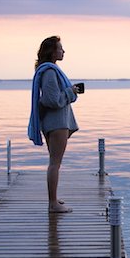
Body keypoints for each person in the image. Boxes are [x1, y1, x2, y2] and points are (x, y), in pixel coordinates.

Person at [28, 36, 82, 213]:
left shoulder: (49, 70)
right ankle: (53, 204)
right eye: (60, 48)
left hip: (54, 122)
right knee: (54, 163)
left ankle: (54, 199)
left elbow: (50, 97)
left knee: (54, 162)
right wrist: (70, 91)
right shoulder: (50, 72)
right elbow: (51, 100)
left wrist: (68, 91)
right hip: (56, 122)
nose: (63, 51)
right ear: (52, 51)